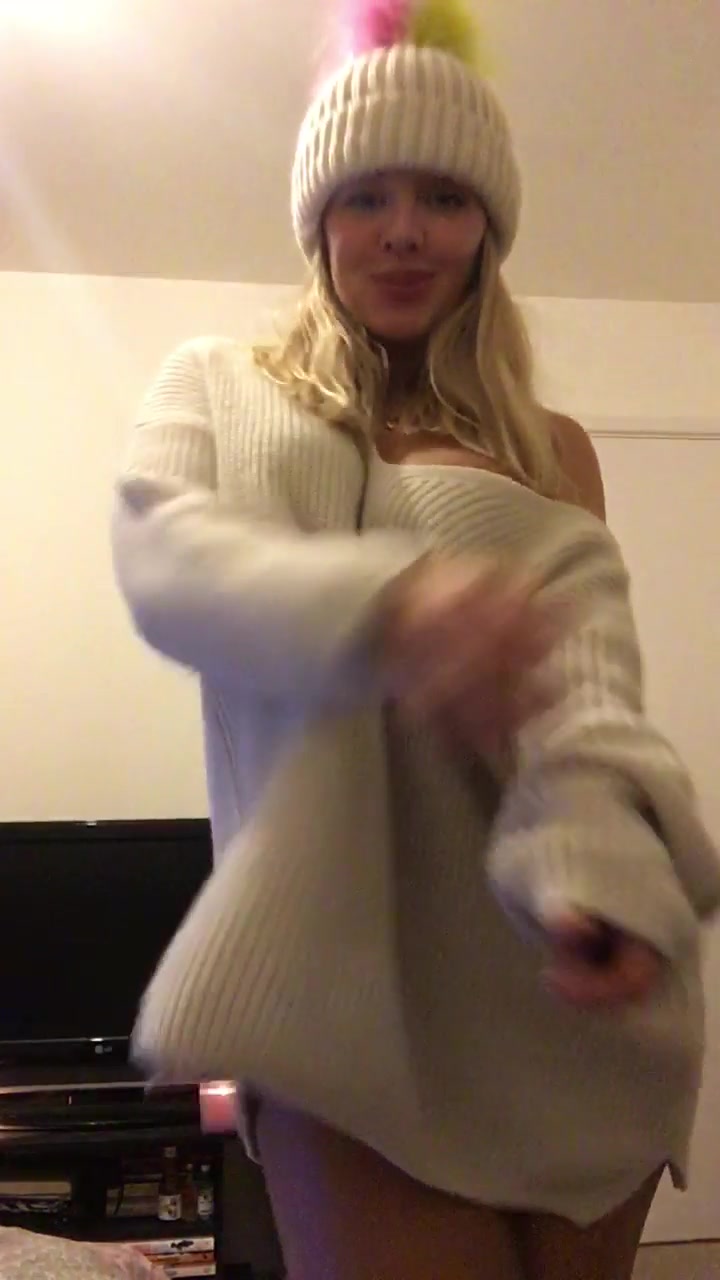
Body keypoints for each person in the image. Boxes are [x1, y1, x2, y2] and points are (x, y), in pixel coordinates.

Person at [112, 2, 720, 1277]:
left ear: (486, 227)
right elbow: (170, 569)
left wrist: (600, 874)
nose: (402, 229)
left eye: (443, 196)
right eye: (366, 194)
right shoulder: (218, 386)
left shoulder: (553, 450)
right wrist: (394, 608)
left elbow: (588, 698)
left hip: (570, 996)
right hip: (341, 1015)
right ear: (319, 219)